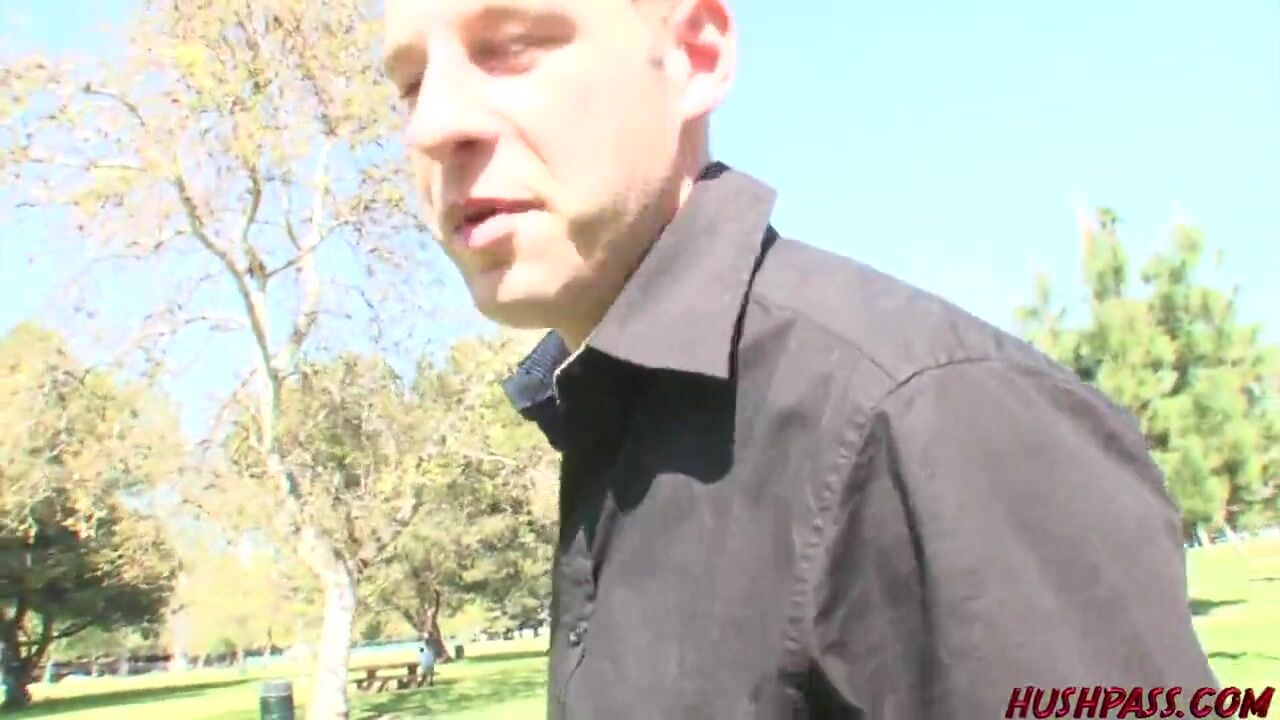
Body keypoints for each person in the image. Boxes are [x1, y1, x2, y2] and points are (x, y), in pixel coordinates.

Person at [381, 0, 1218, 717]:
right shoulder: (614, 425)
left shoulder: (932, 416)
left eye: (512, 46)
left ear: (694, 55)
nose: (433, 126)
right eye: (412, 84)